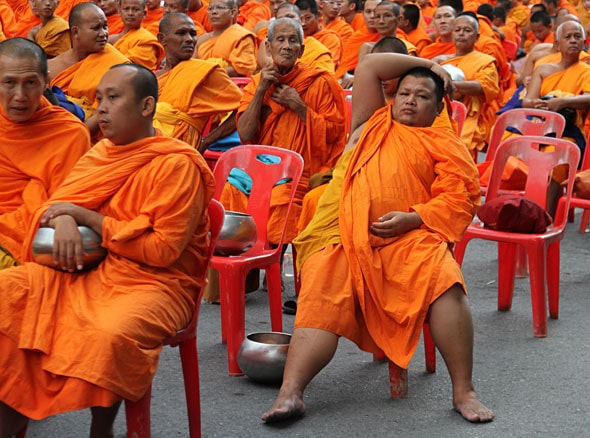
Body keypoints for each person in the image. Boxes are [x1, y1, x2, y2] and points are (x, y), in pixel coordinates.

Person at [260, 51, 494, 425]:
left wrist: (414, 217)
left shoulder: (444, 143)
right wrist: (431, 67)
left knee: (445, 281)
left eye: (422, 96)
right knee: (322, 284)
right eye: (404, 93)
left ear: (438, 110)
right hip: (343, 234)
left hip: (410, 237)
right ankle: (291, 393)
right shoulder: (368, 124)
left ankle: (463, 391)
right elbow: (369, 66)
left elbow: (461, 198)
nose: (410, 101)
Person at [0, 62, 216, 438]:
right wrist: (63, 218)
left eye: (113, 98)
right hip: (90, 271)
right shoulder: (101, 154)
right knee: (9, 293)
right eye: (99, 98)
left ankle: (102, 429)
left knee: (109, 333)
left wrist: (91, 219)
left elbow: (163, 251)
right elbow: (60, 203)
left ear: (146, 106)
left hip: (155, 284)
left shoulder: (176, 164)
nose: (100, 107)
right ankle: (12, 414)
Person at [231, 17, 347, 246]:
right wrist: (261, 91)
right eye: (280, 40)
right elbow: (244, 135)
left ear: (301, 50)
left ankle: (272, 254)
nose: (286, 46)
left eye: (293, 41)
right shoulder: (257, 83)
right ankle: (247, 267)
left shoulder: (318, 82)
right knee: (231, 188)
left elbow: (334, 134)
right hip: (261, 166)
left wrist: (300, 107)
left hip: (302, 168)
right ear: (268, 46)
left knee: (282, 196)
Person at [0, 37, 90, 270]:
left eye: (30, 83)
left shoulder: (69, 133)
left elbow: (70, 198)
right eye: (9, 83)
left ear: (46, 82)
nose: (20, 95)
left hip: (23, 238)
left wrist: (61, 214)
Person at [156, 12, 242, 151]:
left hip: (182, 153)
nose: (189, 39)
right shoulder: (153, 77)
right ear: (162, 39)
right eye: (181, 33)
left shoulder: (205, 72)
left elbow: (243, 108)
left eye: (193, 34)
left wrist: (206, 141)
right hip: (147, 148)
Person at [48, 2, 130, 122]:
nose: (104, 33)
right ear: (75, 32)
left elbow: (104, 112)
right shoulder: (52, 66)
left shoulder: (116, 64)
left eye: (105, 26)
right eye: (96, 28)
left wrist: (78, 134)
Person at [436, 14, 500, 159]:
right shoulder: (442, 61)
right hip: (442, 114)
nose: (461, 34)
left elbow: (484, 86)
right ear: (452, 34)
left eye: (467, 30)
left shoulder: (485, 61)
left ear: (477, 37)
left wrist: (450, 85)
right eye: (457, 30)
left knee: (460, 158)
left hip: (469, 118)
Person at [523, 20, 590, 151]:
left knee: (553, 152)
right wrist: (545, 104)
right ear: (558, 44)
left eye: (577, 37)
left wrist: (562, 102)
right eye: (568, 37)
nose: (573, 41)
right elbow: (528, 101)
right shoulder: (543, 69)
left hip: (570, 130)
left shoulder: (587, 71)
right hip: (541, 124)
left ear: (583, 43)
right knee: (511, 143)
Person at [258, 3, 336, 74]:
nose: (287, 22)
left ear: (302, 20)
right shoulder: (270, 43)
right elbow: (272, 69)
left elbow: (325, 78)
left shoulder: (316, 48)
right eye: (281, 19)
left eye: (290, 17)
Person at [197, 0, 258, 77]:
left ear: (232, 13)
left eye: (220, 8)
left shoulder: (242, 36)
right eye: (210, 9)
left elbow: (244, 68)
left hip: (231, 85)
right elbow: (192, 64)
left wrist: (210, 72)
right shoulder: (202, 39)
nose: (214, 12)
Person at [110, 0, 165, 70]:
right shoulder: (110, 39)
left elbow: (129, 69)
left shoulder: (147, 40)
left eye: (136, 9)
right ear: (120, 11)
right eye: (126, 9)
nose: (130, 13)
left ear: (144, 13)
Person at [296, 0, 343, 67]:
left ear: (318, 15)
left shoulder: (330, 39)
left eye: (307, 18)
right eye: (300, 19)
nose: (303, 23)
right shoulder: (296, 38)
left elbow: (328, 66)